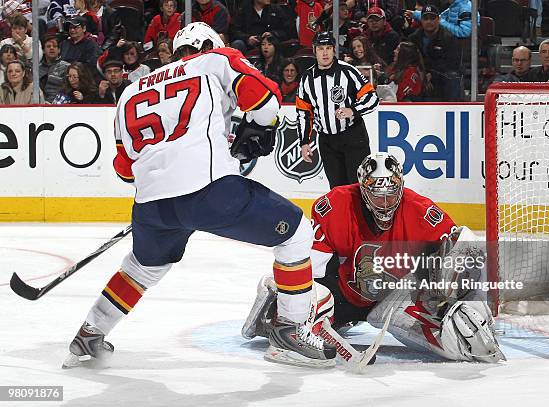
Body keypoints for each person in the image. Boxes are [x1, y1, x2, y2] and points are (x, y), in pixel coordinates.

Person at [63, 22, 336, 369]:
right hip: (210, 193)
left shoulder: (130, 92)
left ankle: (91, 331)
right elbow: (266, 100)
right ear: (209, 44)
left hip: (151, 205)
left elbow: (124, 169)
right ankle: (291, 331)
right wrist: (261, 126)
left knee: (143, 268)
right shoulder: (215, 60)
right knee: (297, 233)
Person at [242, 152, 506, 363]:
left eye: (391, 195)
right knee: (297, 310)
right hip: (346, 294)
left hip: (393, 300)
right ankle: (277, 305)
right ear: (362, 189)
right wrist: (299, 299)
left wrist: (469, 301)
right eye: (377, 196)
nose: (385, 203)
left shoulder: (421, 211)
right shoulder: (336, 205)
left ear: (401, 187)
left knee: (457, 337)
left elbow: (466, 249)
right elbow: (311, 265)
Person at [298, 31, 379, 189]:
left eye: (329, 47)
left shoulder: (348, 71)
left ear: (334, 50)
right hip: (327, 142)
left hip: (353, 137)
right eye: (321, 48)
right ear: (314, 50)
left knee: (359, 188)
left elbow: (372, 98)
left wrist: (352, 110)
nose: (325, 52)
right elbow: (303, 112)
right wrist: (304, 142)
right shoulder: (307, 79)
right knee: (337, 190)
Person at [407, 5, 463, 101]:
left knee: (452, 76)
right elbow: (410, 59)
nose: (429, 22)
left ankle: (453, 108)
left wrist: (432, 74)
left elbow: (453, 63)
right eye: (425, 18)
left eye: (432, 18)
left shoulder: (449, 38)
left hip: (441, 74)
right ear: (421, 20)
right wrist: (422, 73)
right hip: (420, 73)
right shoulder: (413, 38)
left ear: (438, 19)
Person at [39, 34, 71, 102]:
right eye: (48, 46)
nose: (52, 48)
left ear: (59, 50)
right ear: (43, 51)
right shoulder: (37, 68)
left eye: (54, 46)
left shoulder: (67, 67)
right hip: (39, 104)